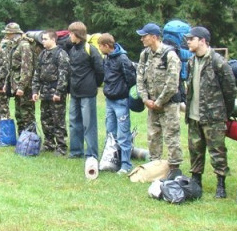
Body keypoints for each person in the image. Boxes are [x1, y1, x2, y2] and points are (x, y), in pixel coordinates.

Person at [185, 26, 237, 198]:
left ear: (202, 41)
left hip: (214, 116)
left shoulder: (218, 62)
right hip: (194, 115)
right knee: (195, 150)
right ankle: (196, 180)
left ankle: (221, 185)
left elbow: (230, 90)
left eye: (191, 39)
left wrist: (223, 113)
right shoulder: (191, 61)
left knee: (217, 151)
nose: (188, 42)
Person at [136, 23, 183, 179]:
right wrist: (145, 99)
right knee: (153, 136)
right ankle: (155, 166)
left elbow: (172, 83)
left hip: (168, 105)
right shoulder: (145, 55)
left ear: (154, 37)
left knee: (171, 136)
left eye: (144, 36)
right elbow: (139, 79)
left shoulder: (170, 55)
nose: (142, 39)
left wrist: (159, 101)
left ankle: (174, 170)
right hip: (151, 104)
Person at [99, 33, 136, 173]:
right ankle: (111, 160)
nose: (99, 49)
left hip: (121, 101)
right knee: (110, 132)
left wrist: (122, 91)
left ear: (106, 45)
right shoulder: (107, 58)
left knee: (123, 134)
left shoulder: (122, 59)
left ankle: (126, 164)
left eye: (100, 46)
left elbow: (131, 79)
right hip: (109, 100)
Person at [67, 21, 104, 159]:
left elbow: (100, 70)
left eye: (71, 33)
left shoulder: (90, 49)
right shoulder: (72, 49)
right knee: (73, 122)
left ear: (77, 34)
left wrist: (94, 84)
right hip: (74, 92)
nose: (69, 36)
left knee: (89, 124)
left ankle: (92, 153)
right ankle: (76, 151)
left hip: (88, 93)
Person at [32, 30, 70, 156]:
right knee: (45, 119)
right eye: (42, 39)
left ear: (53, 39)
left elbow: (64, 75)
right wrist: (35, 90)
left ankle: (61, 146)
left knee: (58, 120)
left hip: (56, 93)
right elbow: (37, 73)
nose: (43, 41)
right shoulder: (42, 54)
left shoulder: (61, 54)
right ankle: (49, 143)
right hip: (44, 92)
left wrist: (58, 92)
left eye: (45, 39)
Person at [1, 23, 35, 134]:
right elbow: (11, 67)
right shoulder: (15, 45)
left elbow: (26, 68)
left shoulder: (24, 45)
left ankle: (30, 139)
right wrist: (7, 83)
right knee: (19, 114)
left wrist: (21, 86)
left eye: (8, 33)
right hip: (15, 85)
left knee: (27, 115)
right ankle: (22, 138)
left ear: (13, 33)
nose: (6, 36)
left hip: (25, 87)